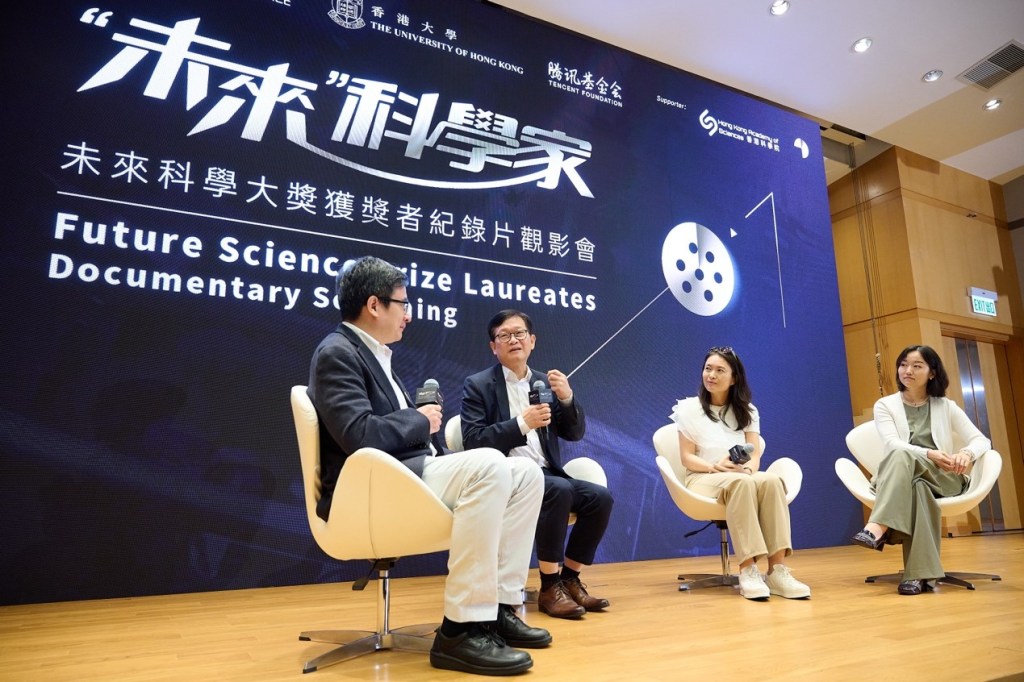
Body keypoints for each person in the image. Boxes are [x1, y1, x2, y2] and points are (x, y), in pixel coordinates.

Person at [307, 257, 549, 676]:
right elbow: (358, 434)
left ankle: (500, 608)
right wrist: (420, 420)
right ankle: (461, 629)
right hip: (370, 490)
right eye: (403, 304)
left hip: (405, 474)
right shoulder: (337, 352)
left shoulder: (373, 354)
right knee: (489, 464)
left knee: (526, 474)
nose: (409, 314)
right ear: (374, 305)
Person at [461, 309, 614, 619]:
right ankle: (549, 585)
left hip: (547, 472)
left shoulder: (545, 382)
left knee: (600, 498)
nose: (513, 340)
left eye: (519, 334)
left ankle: (570, 579)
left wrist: (567, 398)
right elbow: (473, 440)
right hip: (507, 476)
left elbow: (573, 433)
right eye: (504, 335)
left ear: (532, 341)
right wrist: (522, 423)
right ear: (493, 346)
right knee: (558, 490)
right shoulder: (478, 385)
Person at [669, 346, 810, 600]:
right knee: (741, 484)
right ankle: (748, 569)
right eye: (708, 369)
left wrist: (745, 469)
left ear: (734, 378)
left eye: (719, 370)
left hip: (739, 474)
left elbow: (754, 454)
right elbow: (686, 457)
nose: (711, 375)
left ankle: (777, 571)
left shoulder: (748, 411)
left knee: (771, 481)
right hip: (702, 477)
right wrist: (714, 466)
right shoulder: (688, 409)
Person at [851, 344, 991, 595]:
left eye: (917, 366)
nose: (908, 371)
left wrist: (966, 454)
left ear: (932, 372)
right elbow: (892, 444)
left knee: (907, 464)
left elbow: (982, 440)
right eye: (903, 365)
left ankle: (878, 526)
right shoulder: (885, 405)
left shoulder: (946, 406)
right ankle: (918, 576)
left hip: (943, 478)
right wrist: (928, 453)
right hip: (901, 478)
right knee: (916, 485)